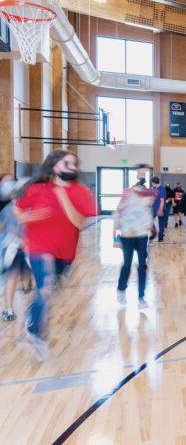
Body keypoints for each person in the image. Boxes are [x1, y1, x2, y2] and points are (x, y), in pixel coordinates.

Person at [14, 150, 97, 360]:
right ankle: (36, 332)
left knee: (49, 289)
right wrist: (26, 217)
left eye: (74, 164)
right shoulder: (35, 188)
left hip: (65, 252)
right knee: (47, 286)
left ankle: (33, 315)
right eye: (67, 163)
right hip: (39, 247)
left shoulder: (81, 191)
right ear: (54, 166)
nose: (72, 167)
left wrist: (62, 197)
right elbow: (18, 210)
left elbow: (78, 222)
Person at [113, 175, 156, 308]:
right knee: (127, 264)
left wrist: (151, 227)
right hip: (127, 236)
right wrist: (116, 238)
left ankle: (141, 297)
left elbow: (149, 217)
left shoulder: (146, 202)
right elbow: (116, 219)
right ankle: (121, 289)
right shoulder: (125, 201)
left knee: (142, 266)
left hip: (142, 236)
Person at [0, 177, 32, 322]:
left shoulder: (30, 207)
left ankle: (26, 286)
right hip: (13, 247)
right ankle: (8, 308)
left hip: (27, 247)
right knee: (12, 277)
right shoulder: (8, 209)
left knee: (25, 273)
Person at [151, 176, 168, 242]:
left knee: (161, 223)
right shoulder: (153, 188)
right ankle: (153, 233)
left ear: (154, 182)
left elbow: (162, 201)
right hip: (153, 208)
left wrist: (160, 210)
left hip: (160, 208)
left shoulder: (162, 189)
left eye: (152, 182)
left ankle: (160, 237)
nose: (152, 184)